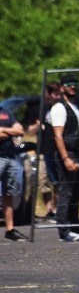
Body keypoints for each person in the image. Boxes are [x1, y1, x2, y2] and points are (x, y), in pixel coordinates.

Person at [51, 74, 79, 242]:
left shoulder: (74, 106)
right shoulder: (60, 108)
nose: (73, 87)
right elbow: (58, 135)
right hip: (69, 154)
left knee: (76, 194)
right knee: (66, 193)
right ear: (62, 87)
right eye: (69, 84)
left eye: (75, 83)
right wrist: (66, 159)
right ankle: (64, 231)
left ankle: (76, 229)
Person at [24, 82, 62, 222]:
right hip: (43, 150)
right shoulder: (41, 109)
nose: (57, 97)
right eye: (54, 94)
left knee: (57, 182)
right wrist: (39, 124)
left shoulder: (62, 108)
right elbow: (29, 130)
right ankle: (50, 210)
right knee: (43, 182)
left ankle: (58, 210)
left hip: (58, 149)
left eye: (59, 94)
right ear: (48, 94)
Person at [0, 103, 28, 242]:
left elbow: (20, 130)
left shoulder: (6, 113)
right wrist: (10, 131)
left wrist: (4, 129)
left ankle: (10, 229)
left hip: (10, 157)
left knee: (8, 194)